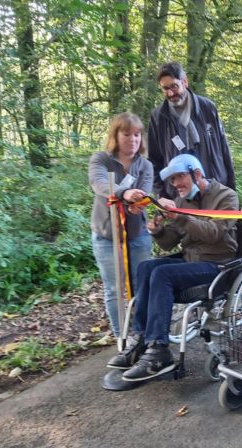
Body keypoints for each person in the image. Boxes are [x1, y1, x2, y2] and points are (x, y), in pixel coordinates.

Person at [107, 154, 238, 381]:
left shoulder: (226, 196)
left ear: (196, 174)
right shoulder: (181, 201)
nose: (176, 184)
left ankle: (159, 350)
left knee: (161, 273)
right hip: (190, 259)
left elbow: (215, 234)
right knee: (146, 267)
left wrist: (180, 217)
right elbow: (170, 243)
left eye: (180, 177)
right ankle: (141, 338)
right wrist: (158, 231)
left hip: (217, 264)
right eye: (173, 180)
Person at [89, 112, 153, 337]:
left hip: (138, 236)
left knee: (140, 285)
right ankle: (121, 337)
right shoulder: (100, 159)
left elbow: (144, 193)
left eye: (137, 135)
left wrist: (138, 204)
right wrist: (124, 193)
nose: (133, 140)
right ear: (116, 135)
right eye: (127, 134)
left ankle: (140, 333)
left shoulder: (145, 165)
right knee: (114, 288)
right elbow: (99, 185)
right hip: (107, 236)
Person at [147, 62, 235, 199]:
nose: (170, 93)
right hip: (179, 195)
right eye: (165, 89)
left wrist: (231, 189)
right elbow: (154, 160)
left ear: (185, 82)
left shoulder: (208, 108)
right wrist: (162, 194)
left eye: (174, 86)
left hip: (213, 191)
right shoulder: (158, 117)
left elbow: (224, 150)